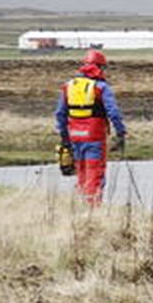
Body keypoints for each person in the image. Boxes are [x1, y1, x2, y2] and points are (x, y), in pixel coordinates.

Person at [54, 48, 127, 205]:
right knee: (95, 175)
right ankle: (92, 213)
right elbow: (113, 113)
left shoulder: (69, 86)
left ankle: (80, 207)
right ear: (99, 67)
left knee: (81, 174)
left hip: (75, 137)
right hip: (94, 138)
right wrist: (121, 133)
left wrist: (64, 138)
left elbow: (60, 114)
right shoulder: (101, 87)